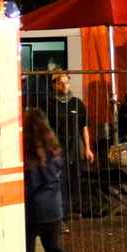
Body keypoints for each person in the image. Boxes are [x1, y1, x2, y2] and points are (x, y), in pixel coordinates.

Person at [22, 108, 86, 252]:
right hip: (53, 207)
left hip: (32, 209)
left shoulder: (24, 150)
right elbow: (57, 171)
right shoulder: (53, 148)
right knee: (54, 247)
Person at [41, 72, 95, 217]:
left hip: (74, 152)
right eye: (61, 83)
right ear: (54, 85)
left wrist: (88, 149)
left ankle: (68, 212)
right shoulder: (47, 105)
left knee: (73, 184)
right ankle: (60, 216)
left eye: (67, 82)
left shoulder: (76, 103)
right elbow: (43, 132)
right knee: (59, 185)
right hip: (56, 154)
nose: (65, 86)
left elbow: (84, 127)